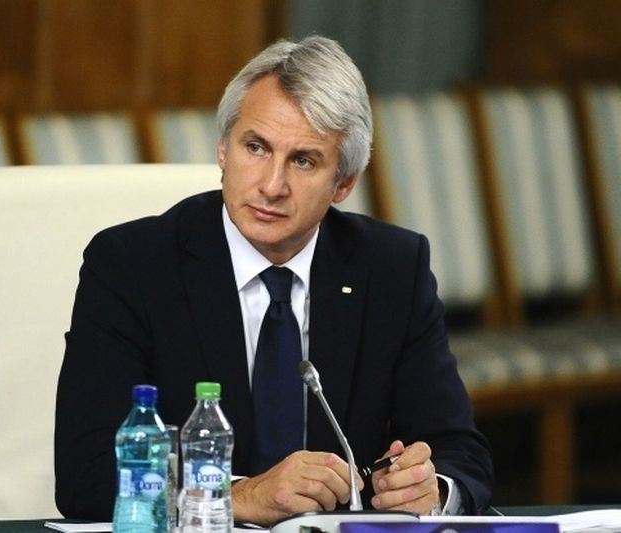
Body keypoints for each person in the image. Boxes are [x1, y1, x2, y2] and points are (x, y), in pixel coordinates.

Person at [54, 35, 493, 526]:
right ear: (223, 150)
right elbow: (85, 474)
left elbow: (459, 452)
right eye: (256, 147)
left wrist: (431, 489)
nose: (271, 186)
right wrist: (240, 496)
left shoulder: (392, 269)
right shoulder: (131, 266)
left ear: (344, 183)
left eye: (303, 160)